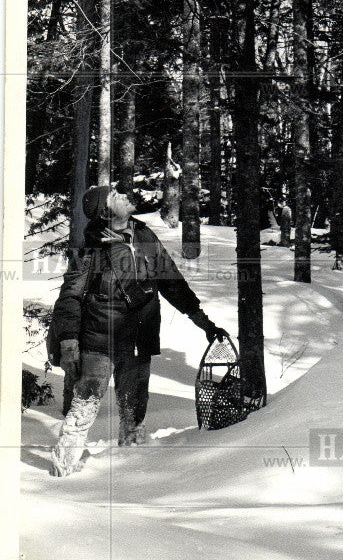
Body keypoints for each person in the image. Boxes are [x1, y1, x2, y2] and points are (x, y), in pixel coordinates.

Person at [49, 183, 229, 477]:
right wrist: (69, 341)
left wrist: (204, 322)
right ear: (106, 211)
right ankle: (63, 467)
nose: (123, 194)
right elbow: (69, 296)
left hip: (138, 338)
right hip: (98, 340)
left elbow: (172, 282)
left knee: (134, 408)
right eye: (114, 196)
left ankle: (132, 471)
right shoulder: (90, 249)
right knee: (85, 404)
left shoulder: (144, 235)